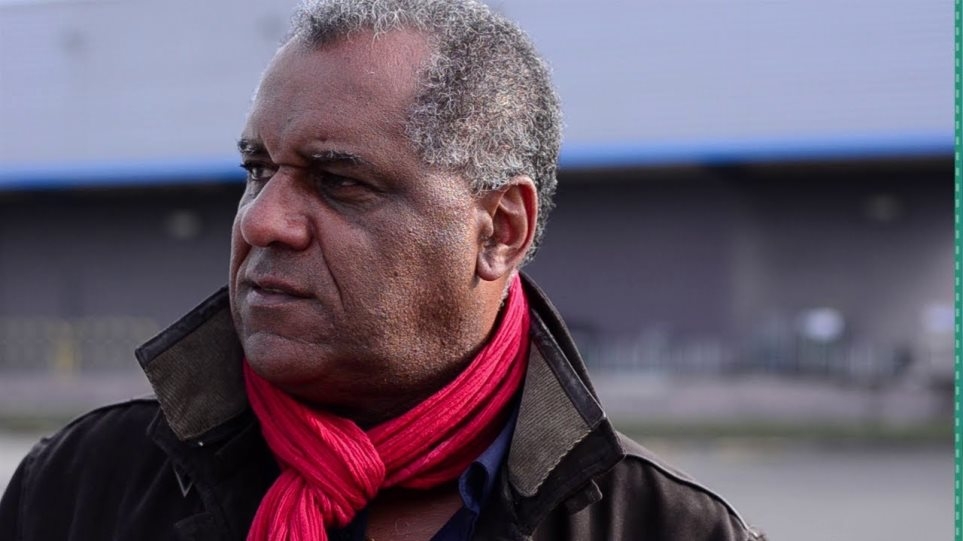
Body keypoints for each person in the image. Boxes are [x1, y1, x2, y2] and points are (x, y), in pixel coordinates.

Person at [0, 1, 764, 539]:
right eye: (258, 169)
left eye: (338, 181)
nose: (262, 220)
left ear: (500, 229)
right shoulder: (81, 486)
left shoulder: (668, 528)